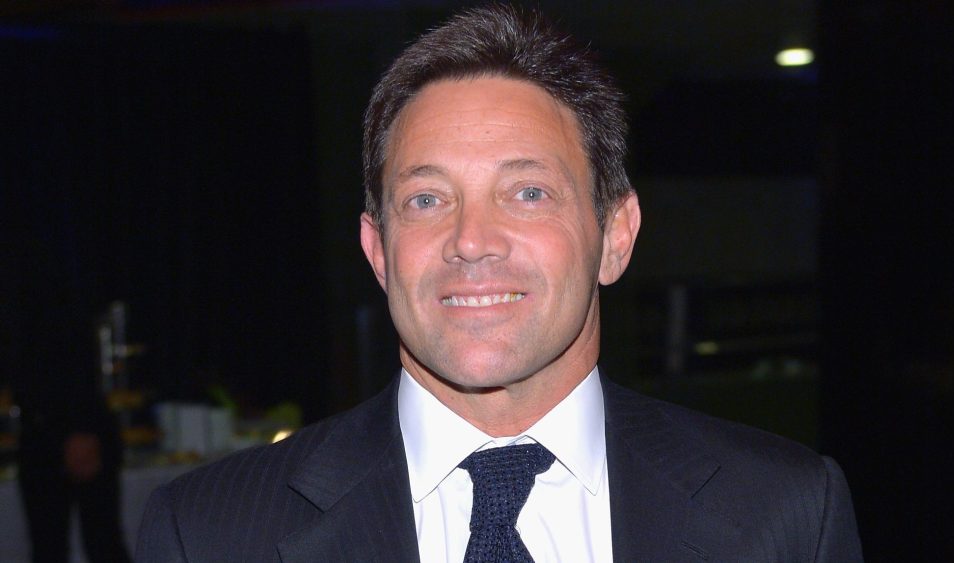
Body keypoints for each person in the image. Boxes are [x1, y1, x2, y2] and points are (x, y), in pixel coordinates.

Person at [136, 4, 862, 561]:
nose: (471, 240)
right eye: (427, 199)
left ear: (615, 236)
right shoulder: (208, 533)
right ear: (378, 250)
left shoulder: (785, 513)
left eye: (528, 192)